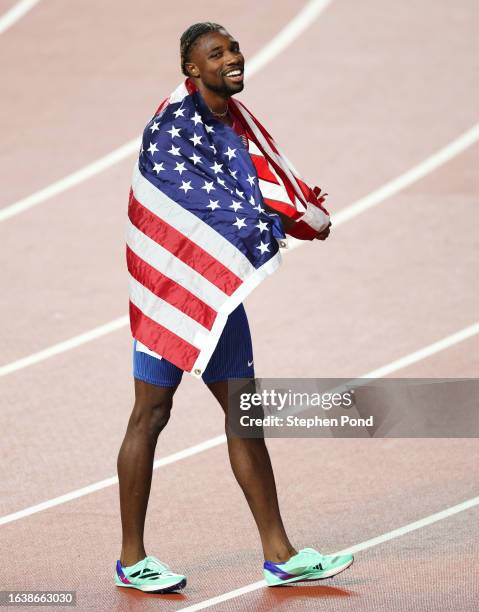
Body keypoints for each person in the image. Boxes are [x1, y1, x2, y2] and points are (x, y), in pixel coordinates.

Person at [115, 22, 352, 594]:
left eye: (234, 49)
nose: (232, 59)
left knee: (245, 415)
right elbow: (192, 201)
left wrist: (294, 212)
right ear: (191, 70)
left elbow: (254, 186)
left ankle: (280, 553)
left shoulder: (237, 121)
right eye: (215, 54)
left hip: (218, 295)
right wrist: (265, 226)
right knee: (151, 416)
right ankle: (132, 559)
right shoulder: (170, 128)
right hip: (170, 292)